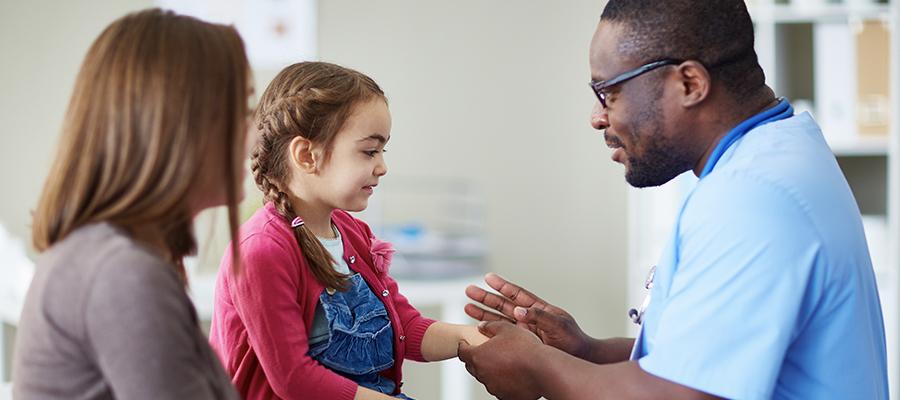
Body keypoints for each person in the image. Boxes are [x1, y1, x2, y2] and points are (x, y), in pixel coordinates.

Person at [458, 1, 889, 399]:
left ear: (689, 83)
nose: (597, 117)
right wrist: (586, 352)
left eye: (609, 92)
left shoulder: (751, 198)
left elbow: (677, 395)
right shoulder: (780, 152)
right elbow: (712, 361)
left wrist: (537, 366)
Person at [208, 61, 489, 400]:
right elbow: (295, 380)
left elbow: (404, 326)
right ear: (306, 155)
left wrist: (473, 339)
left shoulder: (354, 234)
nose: (382, 167)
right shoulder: (260, 251)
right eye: (369, 151)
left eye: (382, 151)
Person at [13, 9, 251, 400]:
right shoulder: (122, 274)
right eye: (240, 110)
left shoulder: (114, 258)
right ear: (177, 124)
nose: (251, 131)